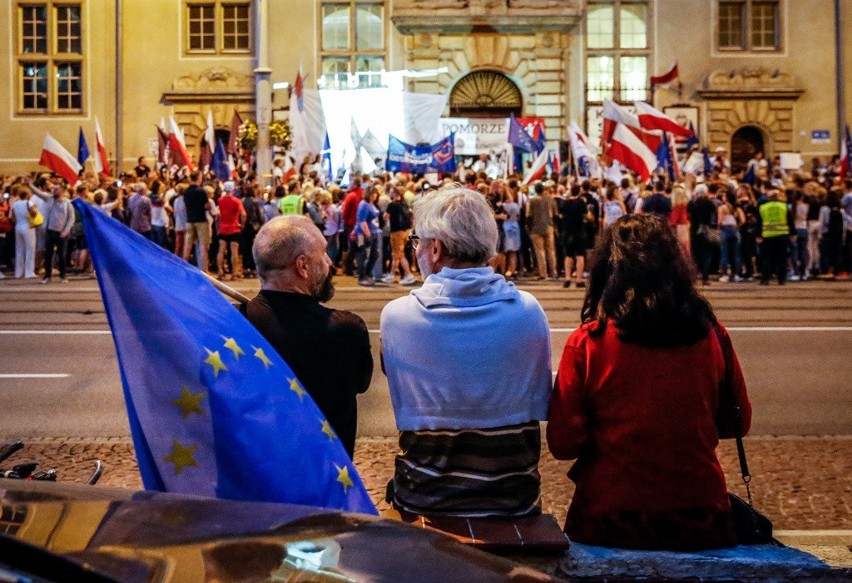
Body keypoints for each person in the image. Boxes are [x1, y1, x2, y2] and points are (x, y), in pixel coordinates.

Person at [547, 213, 751, 551]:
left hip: (609, 517)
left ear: (607, 272)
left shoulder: (588, 342)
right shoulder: (712, 333)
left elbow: (563, 443)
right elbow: (737, 422)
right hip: (700, 515)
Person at [380, 185, 552, 517]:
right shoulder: (529, 312)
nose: (415, 251)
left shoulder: (398, 317)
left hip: (426, 500)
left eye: (418, 242)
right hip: (513, 501)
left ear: (435, 249)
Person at [245, 215, 372, 458]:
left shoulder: (235, 326)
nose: (329, 262)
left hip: (257, 478)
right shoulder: (346, 330)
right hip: (324, 480)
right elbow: (361, 383)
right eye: (323, 254)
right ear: (302, 266)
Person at [30, 182, 75, 284]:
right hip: (50, 231)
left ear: (63, 191)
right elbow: (38, 193)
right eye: (53, 188)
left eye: (57, 189)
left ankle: (63, 276)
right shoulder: (49, 199)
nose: (54, 190)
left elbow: (71, 218)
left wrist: (66, 231)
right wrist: (29, 184)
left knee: (62, 255)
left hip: (61, 232)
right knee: (48, 254)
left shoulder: (68, 203)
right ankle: (47, 276)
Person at [216, 181, 246, 280]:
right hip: (234, 228)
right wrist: (242, 224)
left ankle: (220, 272)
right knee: (234, 251)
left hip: (223, 228)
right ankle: (234, 273)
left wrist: (218, 227)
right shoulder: (236, 201)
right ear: (232, 189)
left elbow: (218, 215)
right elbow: (243, 214)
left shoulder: (220, 200)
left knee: (221, 250)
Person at [182, 172, 212, 272]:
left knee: (187, 246)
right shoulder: (201, 191)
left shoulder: (186, 191)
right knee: (203, 246)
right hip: (201, 220)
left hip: (189, 220)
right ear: (198, 178)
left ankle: (184, 267)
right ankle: (205, 270)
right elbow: (207, 206)